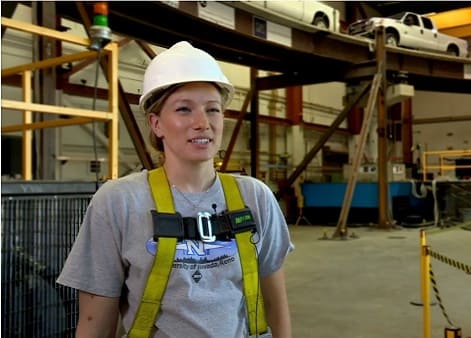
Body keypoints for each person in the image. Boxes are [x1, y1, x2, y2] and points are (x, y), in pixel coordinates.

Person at [57, 41, 294, 337]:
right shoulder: (120, 202)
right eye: (184, 109)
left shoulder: (255, 198)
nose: (202, 123)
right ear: (156, 124)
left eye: (213, 110)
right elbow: (95, 321)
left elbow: (275, 303)